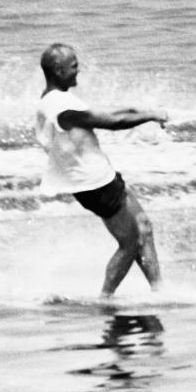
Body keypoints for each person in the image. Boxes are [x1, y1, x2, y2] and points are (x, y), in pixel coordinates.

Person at [36, 43, 168, 298]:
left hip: (99, 178)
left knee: (144, 226)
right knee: (130, 243)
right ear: (59, 71)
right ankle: (105, 297)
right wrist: (150, 114)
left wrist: (139, 110)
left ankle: (159, 291)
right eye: (74, 66)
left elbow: (103, 113)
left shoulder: (56, 99)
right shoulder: (63, 109)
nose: (78, 70)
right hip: (94, 185)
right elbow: (113, 122)